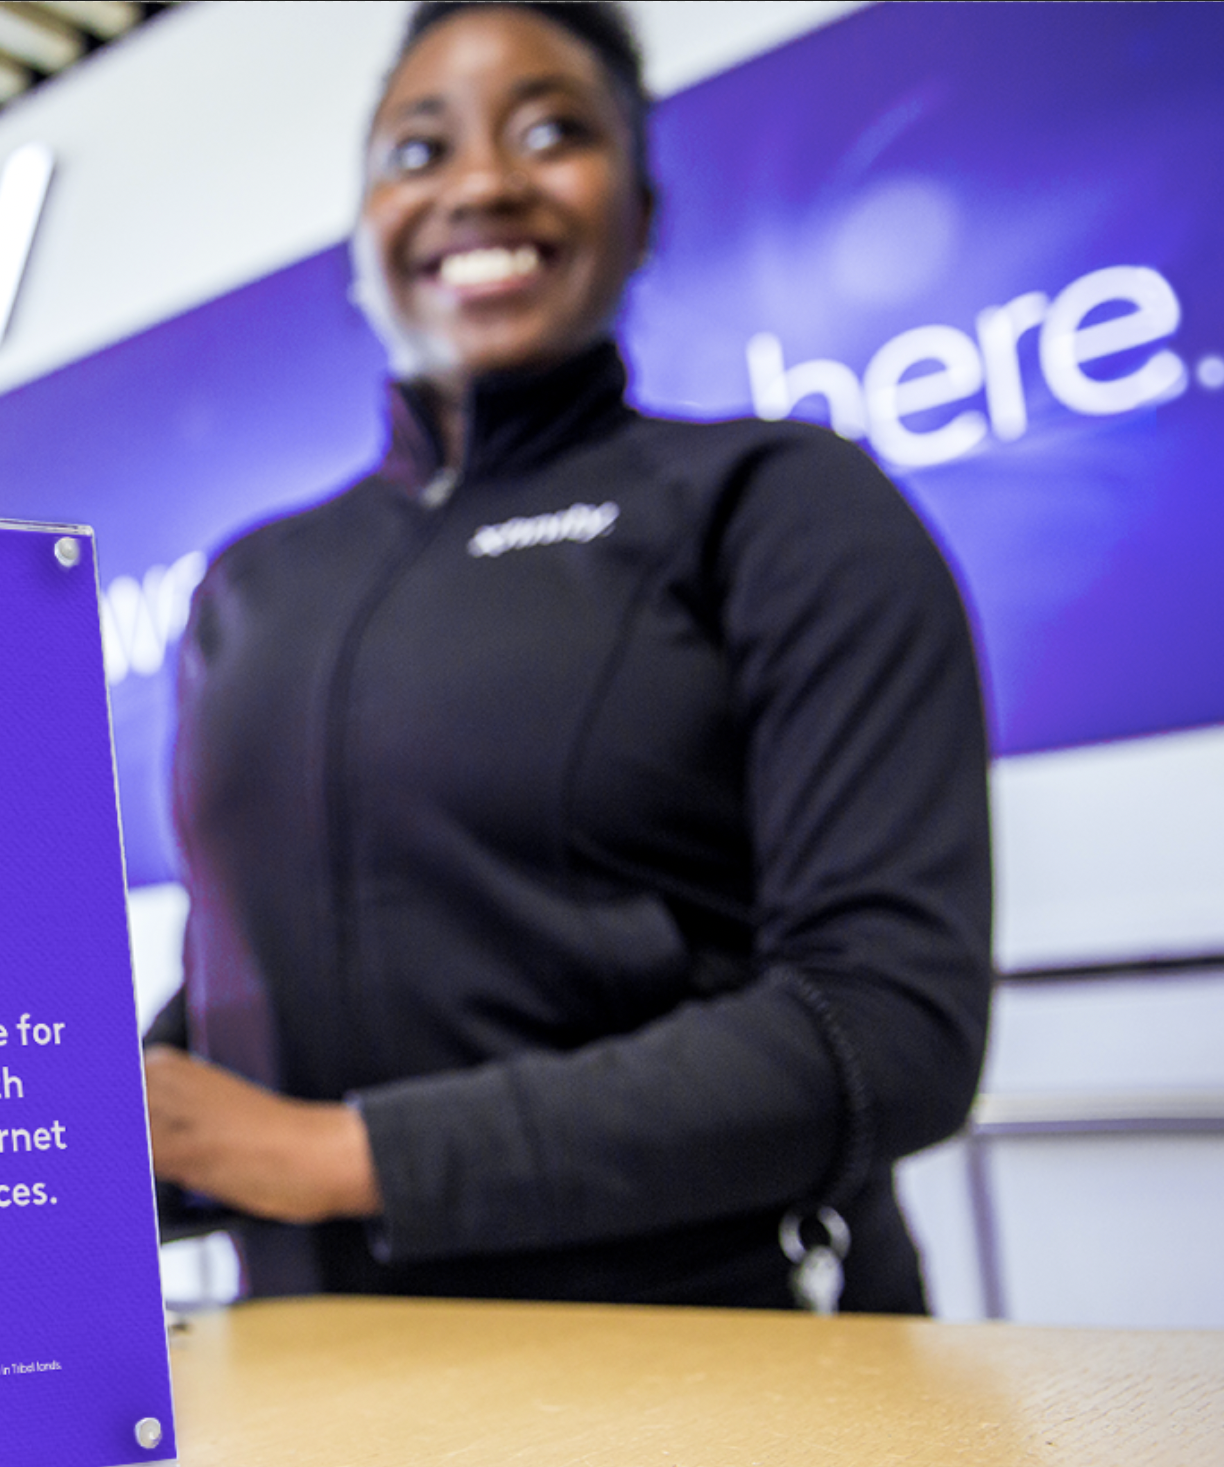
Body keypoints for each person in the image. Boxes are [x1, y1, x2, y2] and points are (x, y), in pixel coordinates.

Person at [142, 1, 993, 1311]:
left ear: (641, 210)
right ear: (361, 236)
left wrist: (335, 1158)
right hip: (313, 1389)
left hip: (719, 1369)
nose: (481, 182)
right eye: (418, 152)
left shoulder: (775, 503)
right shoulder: (251, 586)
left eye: (550, 132)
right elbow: (248, 1007)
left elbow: (886, 1030)